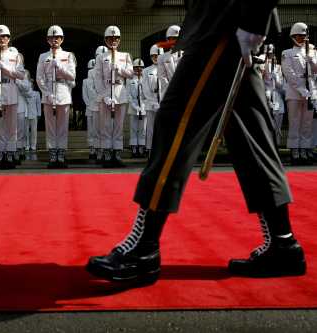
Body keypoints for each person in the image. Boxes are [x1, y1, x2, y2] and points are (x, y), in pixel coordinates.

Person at [86, 1, 306, 282]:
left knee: (175, 123)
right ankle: (282, 241)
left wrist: (254, 19)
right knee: (251, 135)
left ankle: (144, 246)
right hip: (227, 21)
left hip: (224, 21)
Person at [36, 25, 76, 169]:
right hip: (48, 94)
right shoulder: (43, 56)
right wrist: (46, 92)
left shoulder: (68, 55)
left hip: (63, 91)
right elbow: (39, 78)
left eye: (57, 37)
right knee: (51, 127)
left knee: (62, 126)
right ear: (48, 39)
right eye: (52, 38)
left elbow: (72, 75)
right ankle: (53, 154)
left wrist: (59, 66)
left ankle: (61, 154)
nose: (54, 40)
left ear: (62, 39)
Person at [0, 25, 25, 169]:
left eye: (4, 36)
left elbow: (21, 75)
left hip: (11, 91)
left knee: (11, 127)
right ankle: (1, 154)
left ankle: (10, 154)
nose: (2, 39)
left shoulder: (16, 55)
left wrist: (6, 69)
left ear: (9, 38)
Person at [95, 26, 133, 168]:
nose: (113, 41)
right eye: (110, 38)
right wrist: (104, 96)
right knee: (105, 125)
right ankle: (107, 154)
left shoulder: (125, 56)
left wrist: (119, 68)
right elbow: (98, 78)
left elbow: (130, 74)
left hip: (120, 91)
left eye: (116, 38)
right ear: (106, 40)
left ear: (119, 40)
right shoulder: (101, 57)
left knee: (118, 125)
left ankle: (116, 153)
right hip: (106, 91)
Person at [282, 22, 317, 165]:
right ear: (293, 36)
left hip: (311, 91)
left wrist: (313, 61)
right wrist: (302, 89)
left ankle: (305, 149)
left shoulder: (313, 51)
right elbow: (289, 74)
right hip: (295, 92)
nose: (301, 38)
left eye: (303, 36)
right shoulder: (287, 53)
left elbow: (316, 71)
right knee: (295, 122)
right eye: (299, 36)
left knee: (307, 123)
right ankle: (295, 151)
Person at [261, 44, 285, 146]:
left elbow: (282, 87)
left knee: (277, 125)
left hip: (277, 96)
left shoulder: (278, 67)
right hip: (266, 94)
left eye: (271, 54)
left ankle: (277, 146)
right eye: (268, 54)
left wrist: (276, 78)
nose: (270, 57)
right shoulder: (262, 64)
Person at [142, 44, 163, 159]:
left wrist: (163, 102)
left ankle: (161, 151)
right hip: (151, 105)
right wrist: (153, 102)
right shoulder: (146, 71)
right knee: (150, 129)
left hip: (163, 104)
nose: (156, 58)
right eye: (154, 56)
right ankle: (150, 151)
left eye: (158, 55)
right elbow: (145, 88)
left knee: (162, 129)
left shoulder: (166, 68)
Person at [127, 58, 147, 158]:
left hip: (144, 107)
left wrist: (142, 106)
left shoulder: (146, 79)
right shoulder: (129, 80)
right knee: (133, 128)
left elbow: (147, 94)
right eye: (136, 68)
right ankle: (134, 148)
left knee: (143, 128)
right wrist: (135, 106)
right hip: (133, 107)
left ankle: (141, 148)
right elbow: (128, 95)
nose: (138, 69)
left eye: (140, 68)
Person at [157, 25, 182, 98]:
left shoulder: (188, 54)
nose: (173, 41)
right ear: (167, 40)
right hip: (169, 94)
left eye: (176, 39)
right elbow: (162, 77)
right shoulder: (162, 58)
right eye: (171, 39)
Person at [82, 59, 97, 159]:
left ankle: (99, 148)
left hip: (99, 108)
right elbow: (84, 95)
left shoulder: (100, 80)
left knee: (98, 129)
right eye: (90, 68)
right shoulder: (85, 81)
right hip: (90, 108)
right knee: (91, 129)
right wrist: (89, 104)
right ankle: (92, 149)